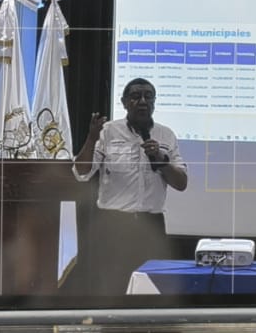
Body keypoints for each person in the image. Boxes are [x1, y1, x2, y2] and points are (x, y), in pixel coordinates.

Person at [72, 77, 188, 293]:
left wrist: (161, 159)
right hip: (113, 224)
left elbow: (181, 183)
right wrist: (91, 139)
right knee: (109, 291)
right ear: (124, 102)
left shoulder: (166, 135)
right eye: (135, 97)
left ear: (154, 102)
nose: (143, 101)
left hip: (151, 226)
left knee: (151, 291)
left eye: (148, 97)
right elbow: (81, 173)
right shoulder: (107, 132)